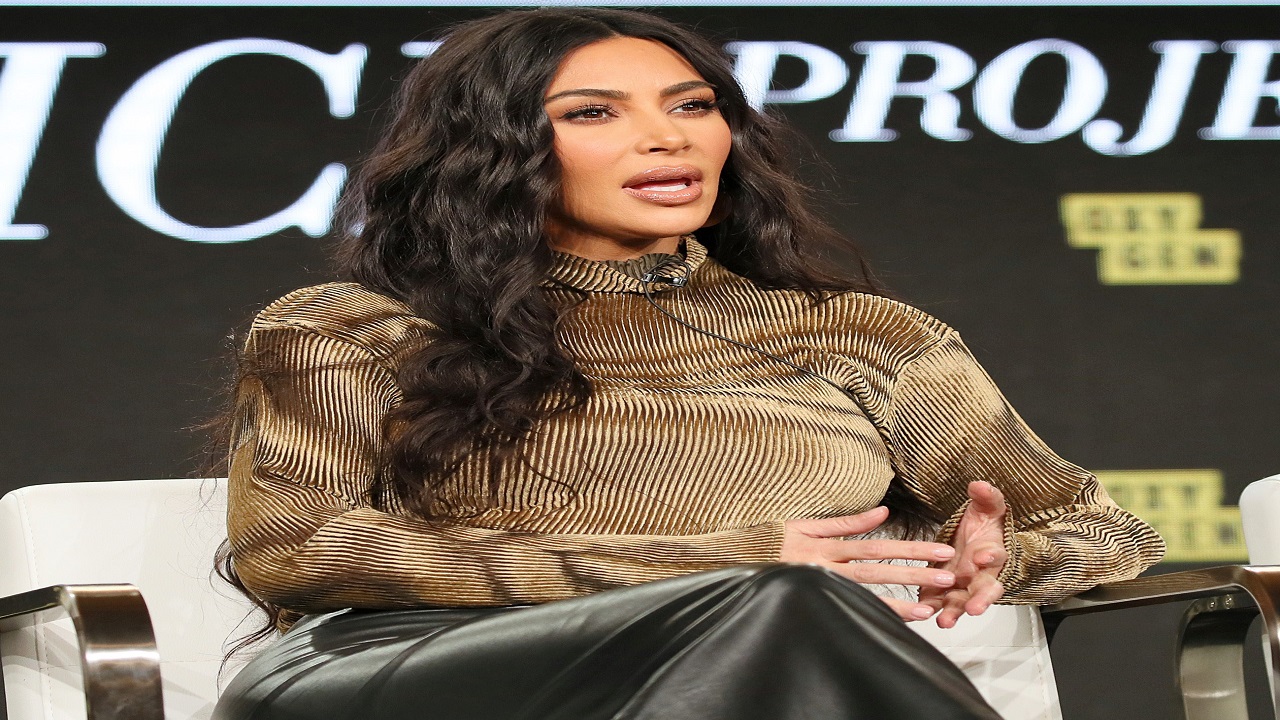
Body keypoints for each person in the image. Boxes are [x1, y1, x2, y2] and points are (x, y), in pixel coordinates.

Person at [210, 7, 1165, 720]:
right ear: (493, 151)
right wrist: (725, 564)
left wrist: (991, 561)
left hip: (757, 670)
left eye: (692, 105)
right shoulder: (350, 329)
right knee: (780, 606)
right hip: (414, 667)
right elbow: (297, 551)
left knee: (776, 629)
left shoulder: (860, 337)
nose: (667, 136)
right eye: (594, 112)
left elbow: (1105, 530)